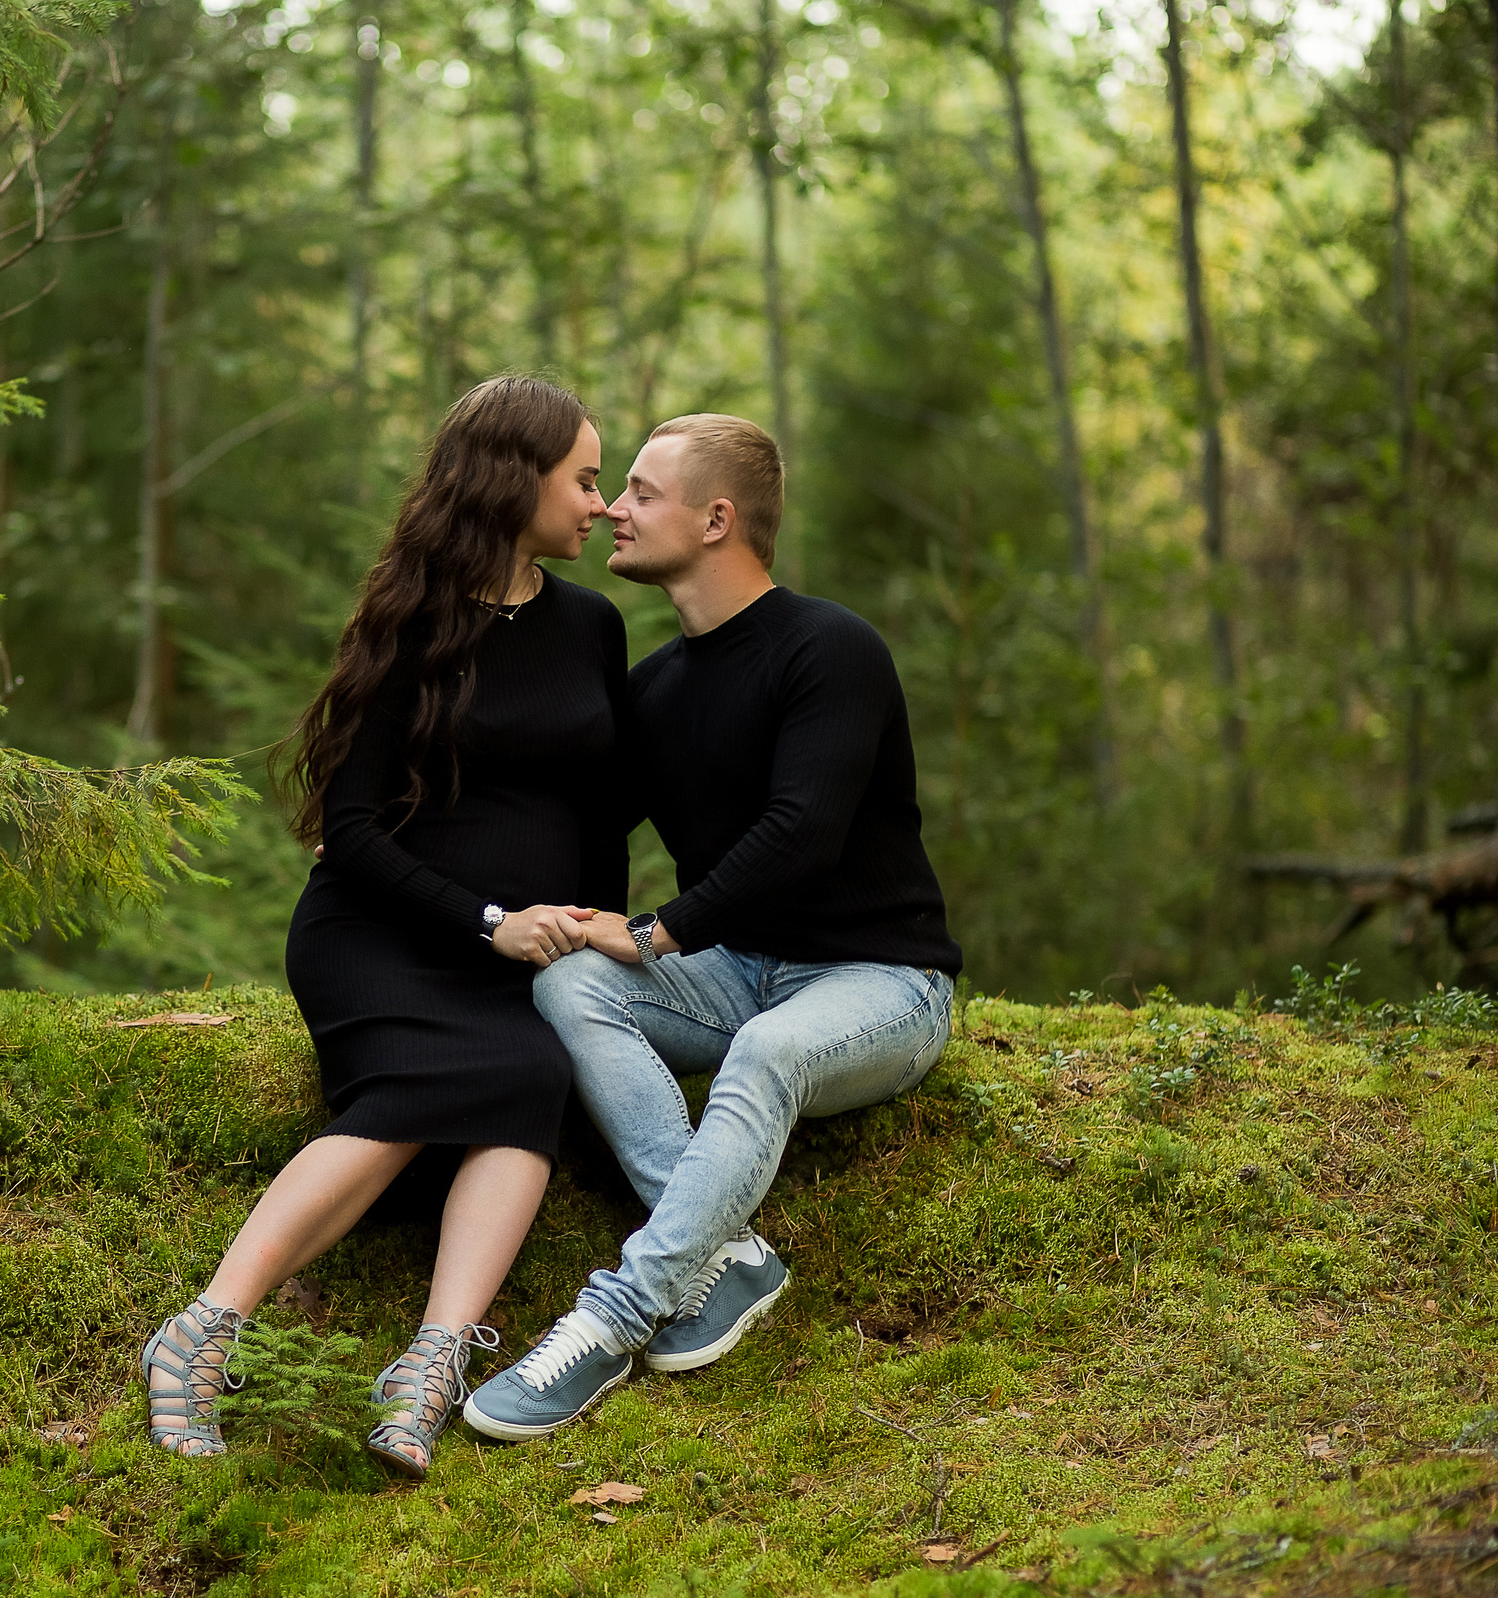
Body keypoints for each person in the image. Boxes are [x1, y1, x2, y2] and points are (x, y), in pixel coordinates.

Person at [141, 376, 627, 1477]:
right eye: (586, 478)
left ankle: (430, 1363)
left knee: (529, 1078)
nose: (598, 504)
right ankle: (202, 1332)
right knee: (424, 1084)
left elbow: (599, 810)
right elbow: (350, 832)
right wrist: (490, 922)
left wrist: (599, 932)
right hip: (382, 935)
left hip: (519, 954)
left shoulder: (593, 626)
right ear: (516, 480)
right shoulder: (411, 623)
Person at [462, 413, 963, 1442]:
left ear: (718, 517)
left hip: (881, 984)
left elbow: (801, 833)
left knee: (768, 1053)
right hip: (739, 972)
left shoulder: (831, 650)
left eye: (640, 491)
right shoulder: (655, 689)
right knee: (569, 983)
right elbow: (570, 816)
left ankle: (614, 1317)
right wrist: (402, 835)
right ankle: (728, 1258)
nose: (611, 507)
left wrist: (654, 928)